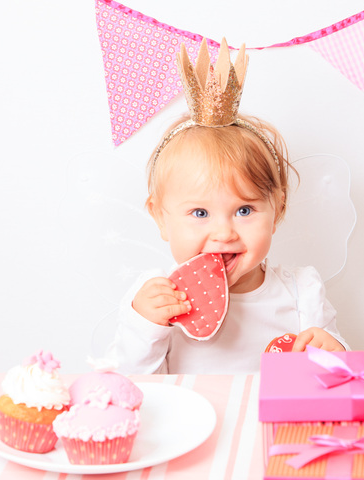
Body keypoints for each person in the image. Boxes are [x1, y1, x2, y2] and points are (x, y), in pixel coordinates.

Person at [105, 39, 347, 374]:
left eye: (244, 211)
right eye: (200, 214)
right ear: (161, 217)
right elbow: (135, 387)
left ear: (277, 209)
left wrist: (332, 352)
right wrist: (146, 326)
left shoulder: (300, 292)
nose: (223, 233)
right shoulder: (158, 296)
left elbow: (336, 374)